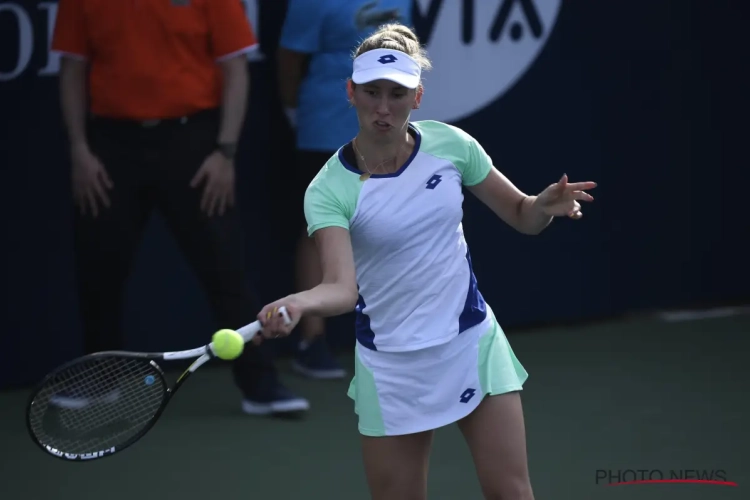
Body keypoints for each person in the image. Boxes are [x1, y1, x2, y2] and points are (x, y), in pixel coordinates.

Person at [257, 23, 597, 499]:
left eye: (397, 94)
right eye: (371, 92)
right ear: (350, 92)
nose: (382, 107)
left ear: (416, 98)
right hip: (392, 367)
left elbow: (521, 215)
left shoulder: (451, 147)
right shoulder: (327, 189)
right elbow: (340, 288)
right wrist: (300, 303)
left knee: (512, 493)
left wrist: (541, 207)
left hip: (470, 344)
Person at [50, 0, 309, 416]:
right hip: (110, 145)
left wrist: (225, 152)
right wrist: (80, 151)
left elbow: (236, 70)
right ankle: (101, 380)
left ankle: (261, 386)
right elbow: (73, 69)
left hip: (193, 143)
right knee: (98, 269)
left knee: (225, 268)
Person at [276, 0, 413, 380]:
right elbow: (289, 61)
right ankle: (312, 341)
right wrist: (296, 114)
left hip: (387, 136)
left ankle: (392, 335)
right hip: (324, 128)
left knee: (390, 225)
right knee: (318, 230)